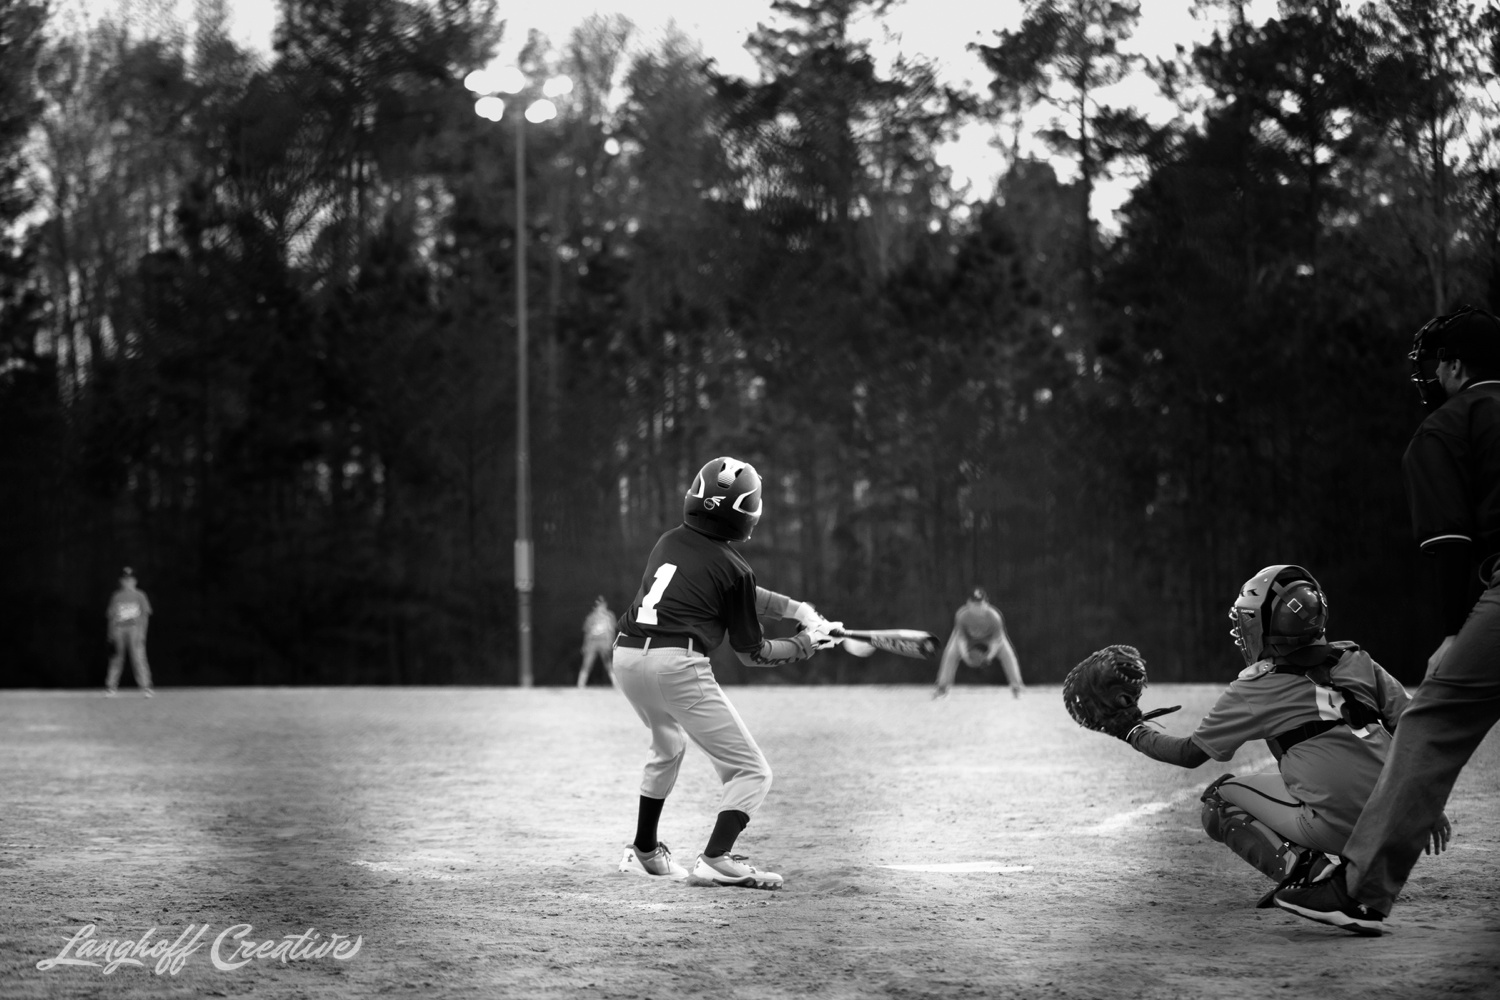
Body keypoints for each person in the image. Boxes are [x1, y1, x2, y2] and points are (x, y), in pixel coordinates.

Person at [1275, 305, 1500, 936]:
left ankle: (1360, 889)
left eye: (1435, 365)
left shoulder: (1449, 426)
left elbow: (1450, 541)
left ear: (1455, 368)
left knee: (1431, 722)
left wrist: (1455, 630)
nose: (1429, 377)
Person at [1122, 564, 1448, 906]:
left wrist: (1133, 731)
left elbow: (1189, 753)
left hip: (1340, 829)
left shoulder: (1256, 688)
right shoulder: (1357, 660)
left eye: (1248, 620)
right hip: (1399, 824)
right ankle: (1350, 865)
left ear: (1267, 626)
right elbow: (1416, 730)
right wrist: (1426, 802)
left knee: (1218, 799)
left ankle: (1310, 873)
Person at [612, 455, 840, 890]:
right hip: (675, 665)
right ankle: (717, 857)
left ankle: (645, 849)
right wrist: (806, 645)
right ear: (747, 515)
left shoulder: (668, 542)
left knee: (667, 747)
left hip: (626, 657)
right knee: (751, 771)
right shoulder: (736, 570)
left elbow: (736, 588)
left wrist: (798, 611)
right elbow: (752, 652)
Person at [932, 588, 1024, 699]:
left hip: (990, 639)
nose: (978, 607)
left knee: (1008, 655)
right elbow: (961, 639)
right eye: (975, 604)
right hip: (968, 638)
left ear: (986, 603)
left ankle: (1016, 687)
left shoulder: (995, 617)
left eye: (980, 603)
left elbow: (996, 642)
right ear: (968, 604)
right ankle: (942, 687)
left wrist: (988, 658)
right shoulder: (962, 616)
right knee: (950, 653)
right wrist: (965, 656)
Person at [105, 567, 154, 697]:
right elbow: (111, 616)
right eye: (125, 580)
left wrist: (143, 633)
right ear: (121, 581)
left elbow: (145, 615)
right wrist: (110, 636)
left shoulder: (140, 595)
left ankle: (146, 687)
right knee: (116, 659)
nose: (128, 582)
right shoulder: (116, 596)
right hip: (119, 631)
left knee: (138, 657)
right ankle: (111, 687)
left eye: (130, 579)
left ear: (135, 581)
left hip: (135, 630)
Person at [577, 596, 617, 688]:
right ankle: (580, 684)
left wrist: (612, 642)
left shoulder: (609, 616)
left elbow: (612, 631)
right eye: (598, 605)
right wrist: (585, 645)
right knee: (587, 663)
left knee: (608, 663)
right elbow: (587, 632)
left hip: (604, 642)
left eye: (601, 605)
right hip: (593, 642)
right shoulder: (591, 617)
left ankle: (616, 684)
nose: (600, 607)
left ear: (605, 605)